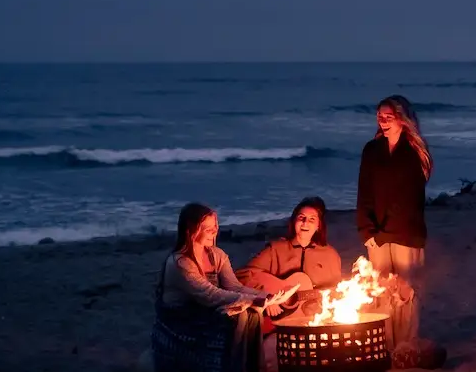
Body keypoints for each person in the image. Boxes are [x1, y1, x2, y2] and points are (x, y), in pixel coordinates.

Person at [153, 202, 297, 372]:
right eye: (207, 228)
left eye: (215, 226)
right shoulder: (180, 263)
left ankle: (251, 366)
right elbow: (210, 294)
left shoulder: (217, 255)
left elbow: (234, 286)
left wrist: (267, 296)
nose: (214, 232)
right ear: (191, 231)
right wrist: (253, 299)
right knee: (241, 314)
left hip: (205, 310)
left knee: (253, 313)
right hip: (183, 317)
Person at [356, 95, 432, 350]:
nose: (383, 121)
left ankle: (406, 347)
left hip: (406, 233)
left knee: (405, 292)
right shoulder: (372, 150)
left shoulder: (413, 152)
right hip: (376, 234)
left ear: (402, 119)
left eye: (389, 117)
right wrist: (366, 230)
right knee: (380, 293)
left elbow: (409, 199)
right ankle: (385, 348)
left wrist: (385, 232)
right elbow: (364, 192)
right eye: (380, 116)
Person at [238, 196, 344, 325]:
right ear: (294, 221)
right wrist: (267, 296)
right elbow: (242, 275)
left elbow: (337, 293)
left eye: (312, 219)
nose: (305, 223)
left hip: (314, 322)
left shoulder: (330, 254)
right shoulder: (276, 249)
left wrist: (319, 304)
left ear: (319, 226)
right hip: (278, 323)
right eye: (301, 217)